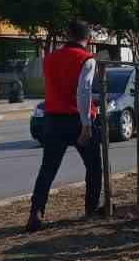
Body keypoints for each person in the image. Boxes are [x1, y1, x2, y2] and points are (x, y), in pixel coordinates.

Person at [27, 20, 104, 232]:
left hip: (52, 118)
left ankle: (36, 211)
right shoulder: (87, 60)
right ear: (87, 38)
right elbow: (83, 92)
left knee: (48, 169)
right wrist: (86, 125)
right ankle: (91, 208)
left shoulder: (49, 59)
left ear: (67, 35)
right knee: (94, 166)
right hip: (76, 119)